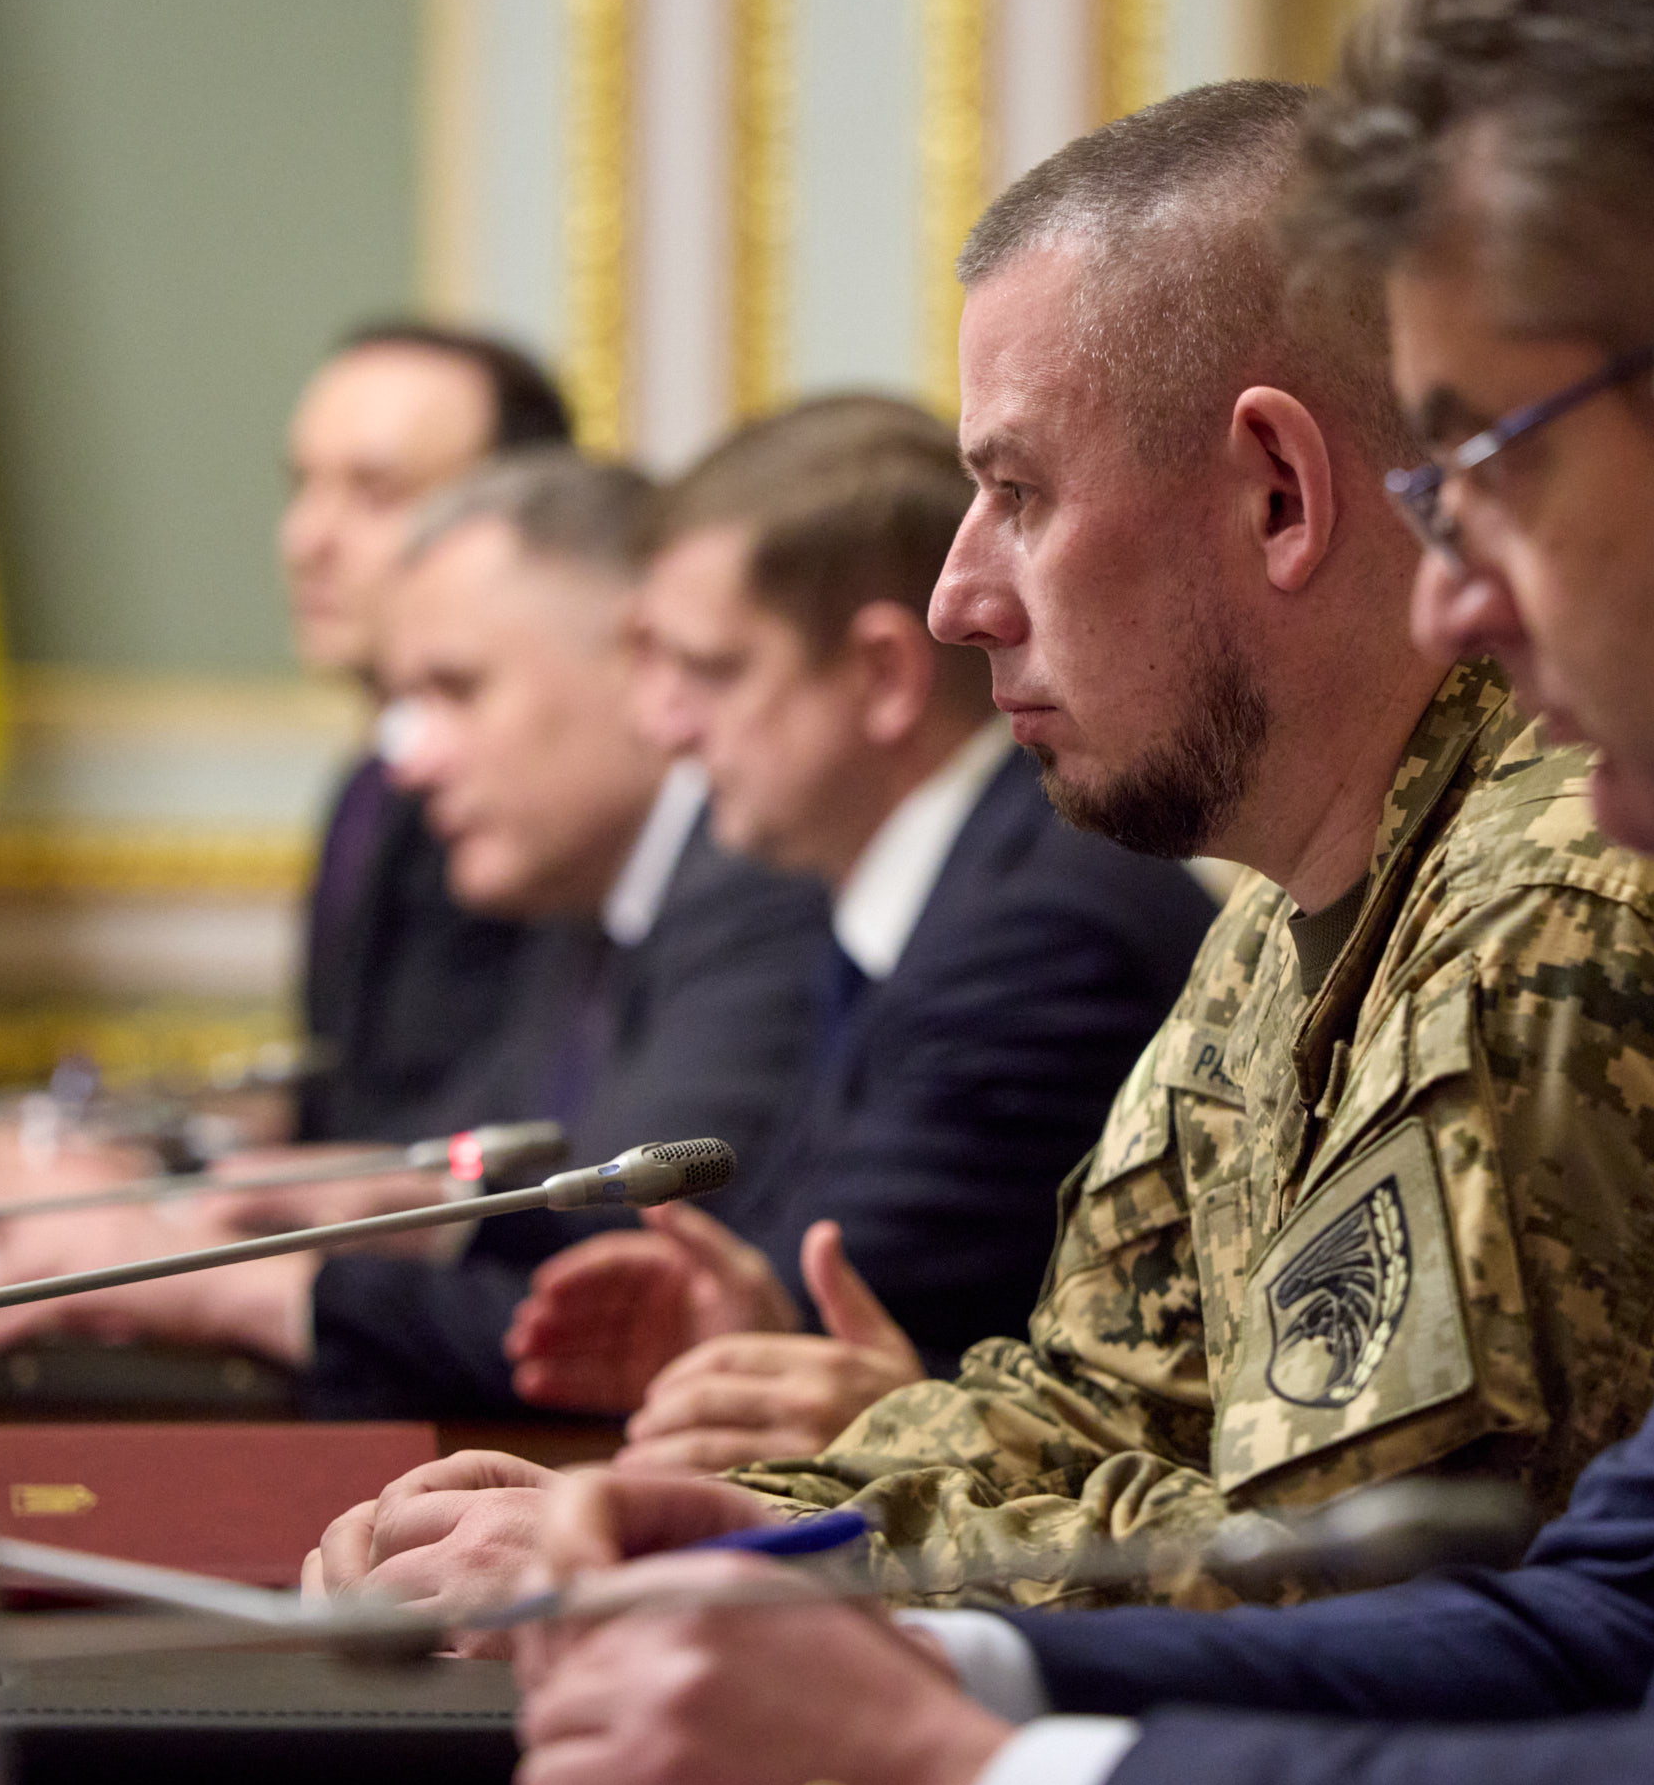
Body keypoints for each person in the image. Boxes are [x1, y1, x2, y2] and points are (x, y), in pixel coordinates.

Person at [484, 0, 1654, 1785]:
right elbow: (1613, 1611)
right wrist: (858, 1612)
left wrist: (956, 1736)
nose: (1453, 595)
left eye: (1492, 465)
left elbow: (1415, 1585)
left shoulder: (1627, 903)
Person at [315, 81, 1654, 1616]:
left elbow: (1330, 1583)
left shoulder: (1547, 910)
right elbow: (1089, 1407)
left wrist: (747, 1560)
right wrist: (677, 1517)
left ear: (1278, 495)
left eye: (1018, 494)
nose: (956, 598)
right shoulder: (1286, 910)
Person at [0, 452, 834, 1420]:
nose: (410, 764)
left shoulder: (762, 887)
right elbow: (475, 1179)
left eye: (458, 690)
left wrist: (214, 1280)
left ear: (640, 662)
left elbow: (620, 1289)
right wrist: (346, 1202)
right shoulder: (582, 899)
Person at [496, 392, 1218, 1471]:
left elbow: (844, 1304)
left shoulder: (1039, 939)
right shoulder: (918, 896)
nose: (664, 726)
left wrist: (759, 1322)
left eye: (713, 671)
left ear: (882, 675)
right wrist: (744, 1318)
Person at [281, 322, 567, 1143]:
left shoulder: (547, 800)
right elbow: (351, 1115)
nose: (305, 539)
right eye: (300, 485)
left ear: (506, 521)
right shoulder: (369, 783)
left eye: (376, 494)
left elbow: (502, 1133)